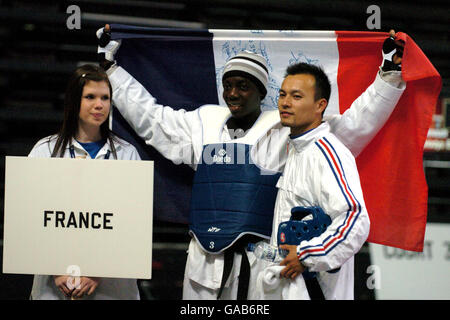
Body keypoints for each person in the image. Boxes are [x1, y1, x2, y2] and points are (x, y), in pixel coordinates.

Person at [97, 26, 405, 300]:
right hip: (204, 264)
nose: (233, 93)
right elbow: (152, 118)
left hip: (260, 265)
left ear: (261, 91)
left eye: (243, 86)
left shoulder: (285, 130)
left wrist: (387, 79)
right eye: (228, 84)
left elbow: (351, 125)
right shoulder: (203, 123)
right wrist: (112, 72)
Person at [258, 62, 370, 300]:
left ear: (320, 105)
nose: (285, 103)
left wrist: (308, 255)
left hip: (318, 290)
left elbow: (355, 218)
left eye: (297, 96)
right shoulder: (296, 149)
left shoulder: (328, 152)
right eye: (283, 94)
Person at [29, 64, 141, 300]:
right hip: (54, 286)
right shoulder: (45, 150)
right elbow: (30, 218)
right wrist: (56, 269)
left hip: (113, 286)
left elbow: (132, 223)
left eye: (105, 98)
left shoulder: (127, 154)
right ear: (73, 101)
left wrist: (99, 271)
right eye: (90, 97)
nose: (99, 105)